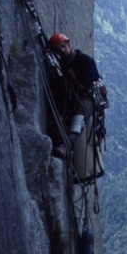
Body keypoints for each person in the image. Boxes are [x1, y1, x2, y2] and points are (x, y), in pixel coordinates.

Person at [48, 32, 106, 160]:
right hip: (74, 96)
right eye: (58, 50)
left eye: (63, 46)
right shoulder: (65, 63)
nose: (62, 51)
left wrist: (72, 75)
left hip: (89, 97)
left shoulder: (86, 61)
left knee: (78, 120)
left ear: (69, 44)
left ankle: (65, 147)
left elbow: (83, 86)